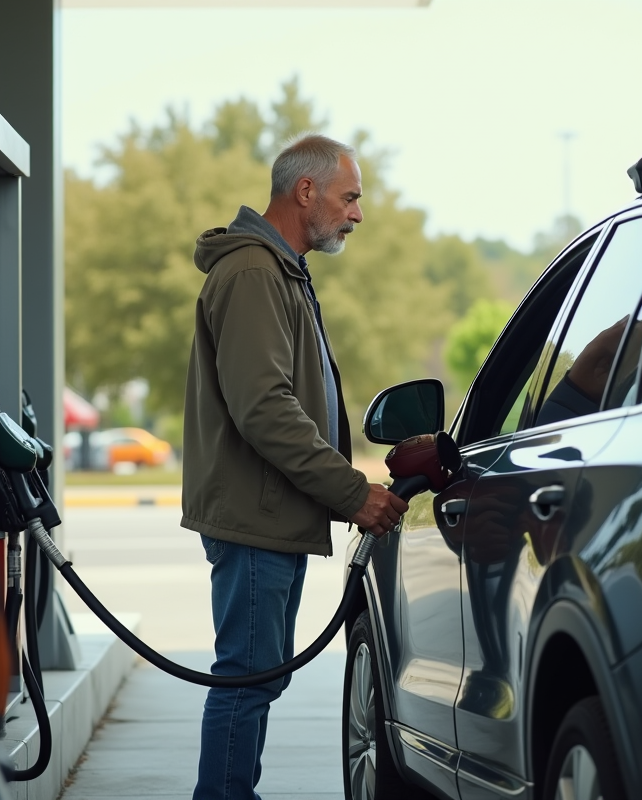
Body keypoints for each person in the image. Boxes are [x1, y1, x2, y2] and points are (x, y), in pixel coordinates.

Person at [180, 133, 409, 800]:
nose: (357, 214)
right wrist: (351, 493)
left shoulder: (277, 270)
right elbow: (264, 409)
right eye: (349, 197)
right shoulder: (255, 273)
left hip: (269, 514)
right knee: (247, 679)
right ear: (305, 190)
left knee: (258, 677)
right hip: (257, 518)